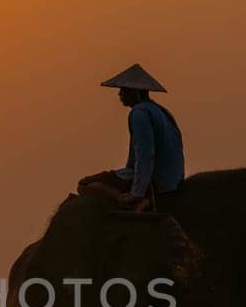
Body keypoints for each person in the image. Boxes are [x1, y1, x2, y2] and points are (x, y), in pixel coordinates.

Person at [77, 63, 185, 211]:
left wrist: (137, 193)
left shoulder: (140, 113)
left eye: (124, 90)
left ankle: (129, 200)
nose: (120, 95)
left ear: (135, 92)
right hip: (173, 179)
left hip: (156, 180)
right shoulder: (160, 111)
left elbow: (145, 155)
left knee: (85, 185)